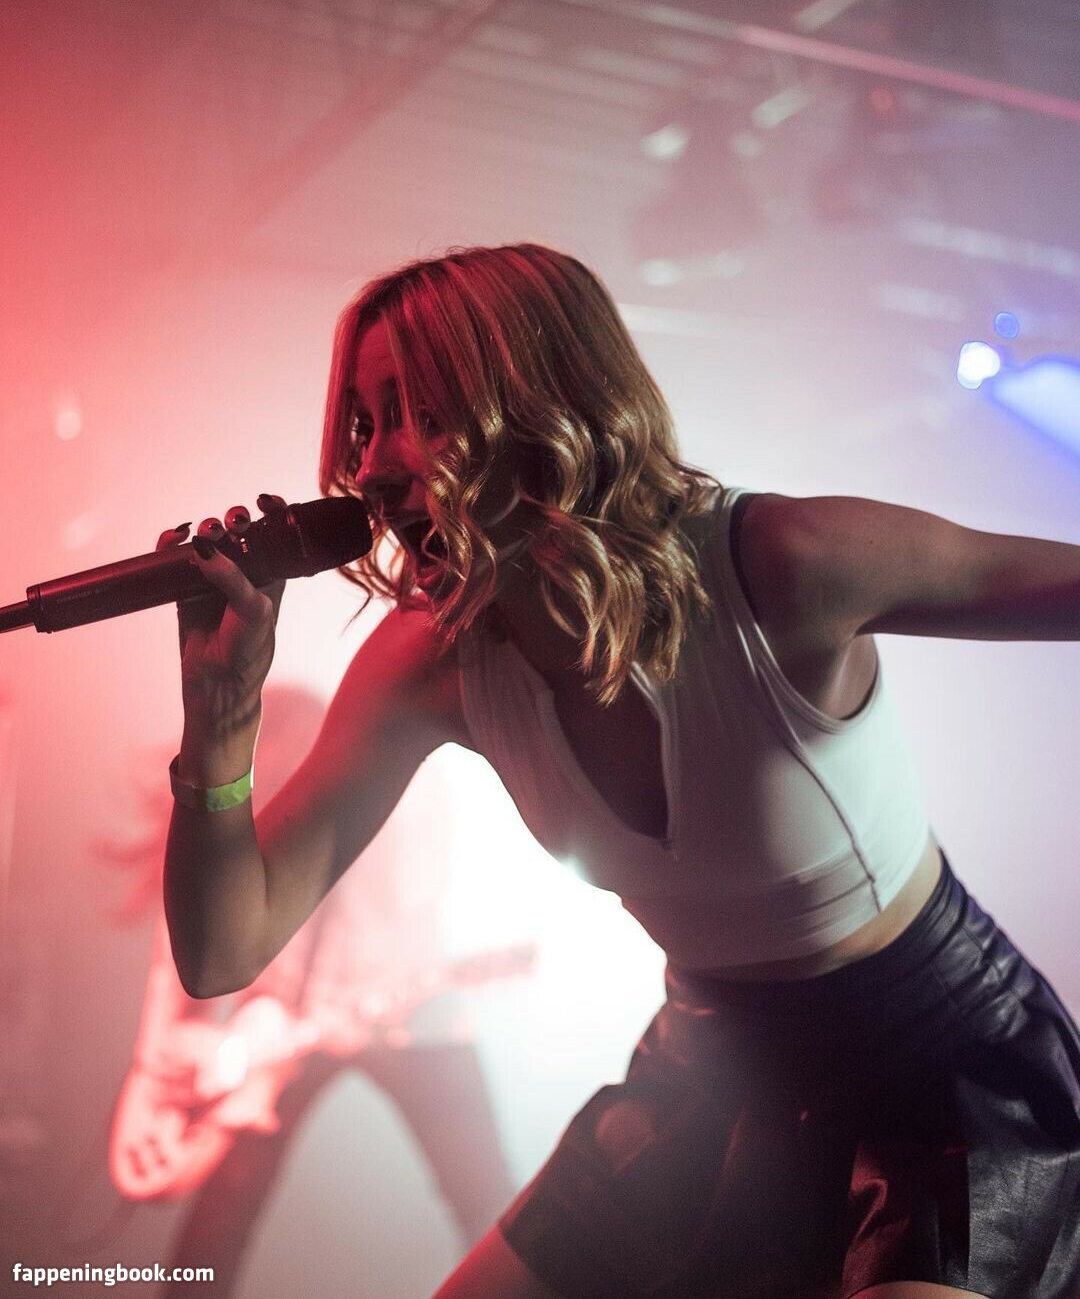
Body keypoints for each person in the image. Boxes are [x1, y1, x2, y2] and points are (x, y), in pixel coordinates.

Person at [159, 243, 1080, 1299]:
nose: (371, 468)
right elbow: (222, 951)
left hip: (938, 1073)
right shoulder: (431, 663)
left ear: (541, 405)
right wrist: (220, 721)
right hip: (709, 1075)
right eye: (364, 425)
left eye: (419, 413)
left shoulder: (787, 562)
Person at [101, 684, 517, 1295]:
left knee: (484, 1198)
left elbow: (409, 931)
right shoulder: (237, 803)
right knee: (225, 1208)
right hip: (283, 1025)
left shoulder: (406, 798)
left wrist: (312, 1022)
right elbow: (185, 929)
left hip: (409, 1014)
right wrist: (158, 1064)